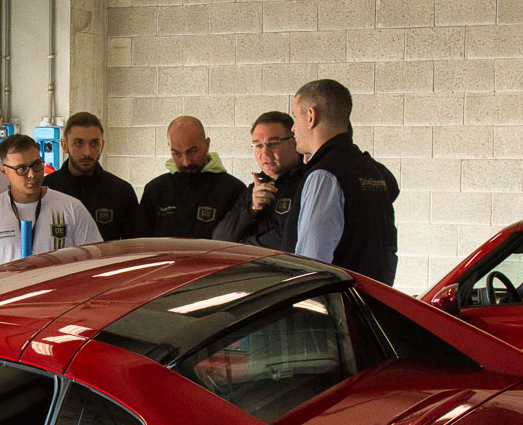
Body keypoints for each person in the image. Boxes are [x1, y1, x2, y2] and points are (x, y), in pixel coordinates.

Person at [291, 78, 400, 284]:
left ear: (311, 116)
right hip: (370, 296)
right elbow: (388, 251)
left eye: (295, 117)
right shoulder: (371, 170)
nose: (293, 128)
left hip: (336, 301)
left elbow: (312, 264)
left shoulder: (324, 176)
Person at [0, 134, 101, 274]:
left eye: (36, 165)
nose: (32, 174)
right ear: (4, 171)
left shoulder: (72, 208)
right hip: (8, 288)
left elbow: (93, 265)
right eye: (21, 169)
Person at [212, 111, 308, 253]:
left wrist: (242, 246)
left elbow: (288, 241)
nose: (265, 153)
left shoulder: (308, 181)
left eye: (273, 144)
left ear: (294, 143)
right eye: (258, 145)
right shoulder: (256, 187)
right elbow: (219, 239)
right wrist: (252, 209)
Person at [139, 115, 243, 240]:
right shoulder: (155, 190)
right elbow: (139, 244)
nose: (186, 162)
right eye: (177, 153)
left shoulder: (233, 190)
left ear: (207, 144)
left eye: (192, 151)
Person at [44, 111, 138, 243]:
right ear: (64, 146)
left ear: (102, 145)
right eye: (79, 143)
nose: (87, 152)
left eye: (94, 143)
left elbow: (134, 247)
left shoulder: (121, 192)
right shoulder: (46, 189)